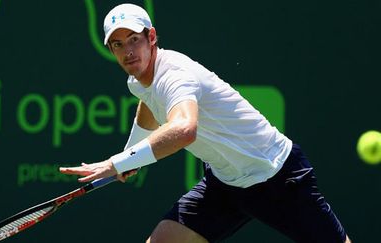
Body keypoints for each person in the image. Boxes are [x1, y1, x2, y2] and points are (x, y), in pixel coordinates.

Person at [60, 3, 351, 243]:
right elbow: (148, 104)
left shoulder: (175, 74)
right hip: (225, 183)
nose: (127, 52)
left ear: (152, 37)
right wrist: (130, 157)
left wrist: (118, 162)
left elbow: (184, 129)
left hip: (275, 174)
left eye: (134, 39)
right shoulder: (138, 80)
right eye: (118, 44)